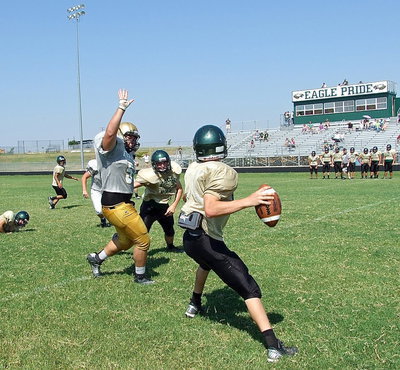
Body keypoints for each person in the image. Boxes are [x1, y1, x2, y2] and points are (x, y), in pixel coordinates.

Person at [179, 125, 297, 363]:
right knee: (249, 288)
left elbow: (189, 198)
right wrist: (249, 200)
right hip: (206, 238)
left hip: (189, 238)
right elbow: (211, 209)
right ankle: (274, 346)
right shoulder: (223, 171)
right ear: (221, 146)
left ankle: (194, 304)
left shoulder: (193, 168)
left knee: (205, 264)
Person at [86, 89, 154, 284]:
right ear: (121, 135)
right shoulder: (112, 147)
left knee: (125, 241)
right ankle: (140, 277)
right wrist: (121, 107)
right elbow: (109, 133)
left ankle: (96, 258)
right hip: (115, 204)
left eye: (135, 138)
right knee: (143, 240)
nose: (133, 140)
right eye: (130, 137)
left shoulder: (127, 155)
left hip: (124, 203)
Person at [134, 150, 184, 253]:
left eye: (164, 162)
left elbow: (179, 189)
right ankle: (134, 249)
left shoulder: (173, 172)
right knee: (141, 233)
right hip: (149, 207)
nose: (162, 166)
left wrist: (174, 205)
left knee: (170, 230)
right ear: (154, 165)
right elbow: (131, 186)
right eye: (159, 163)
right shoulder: (149, 175)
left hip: (164, 206)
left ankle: (170, 247)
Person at [81, 159, 111, 228]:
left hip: (108, 190)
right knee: (99, 211)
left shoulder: (112, 164)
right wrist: (84, 190)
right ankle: (103, 218)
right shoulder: (95, 165)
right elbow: (84, 177)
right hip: (96, 190)